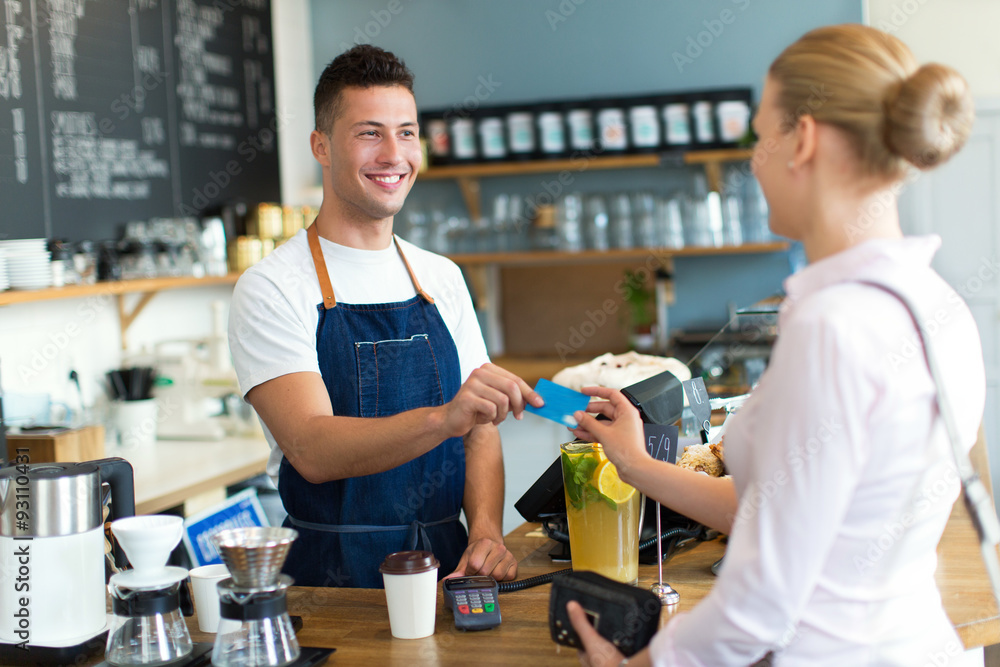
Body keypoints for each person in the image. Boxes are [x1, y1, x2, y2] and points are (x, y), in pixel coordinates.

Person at [564, 24, 985, 666]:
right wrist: (637, 463)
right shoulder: (940, 307)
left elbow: (761, 603)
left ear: (804, 140)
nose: (754, 160)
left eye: (762, 135)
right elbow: (793, 513)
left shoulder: (832, 328)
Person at [228, 45, 541, 589]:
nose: (394, 154)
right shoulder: (272, 286)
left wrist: (486, 531)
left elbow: (480, 427)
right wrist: (444, 418)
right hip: (336, 579)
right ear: (321, 147)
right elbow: (311, 449)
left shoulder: (440, 276)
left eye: (407, 132)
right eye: (369, 132)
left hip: (449, 568)